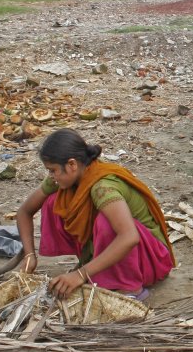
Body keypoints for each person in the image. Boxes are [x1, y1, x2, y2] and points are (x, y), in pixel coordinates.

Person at [16, 129, 175, 300]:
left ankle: (128, 288)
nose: (51, 176)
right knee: (53, 202)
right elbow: (24, 212)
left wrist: (80, 274)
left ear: (72, 165)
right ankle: (94, 267)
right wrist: (30, 255)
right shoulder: (67, 177)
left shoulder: (103, 187)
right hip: (118, 251)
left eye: (53, 170)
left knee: (105, 222)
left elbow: (129, 237)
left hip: (149, 259)